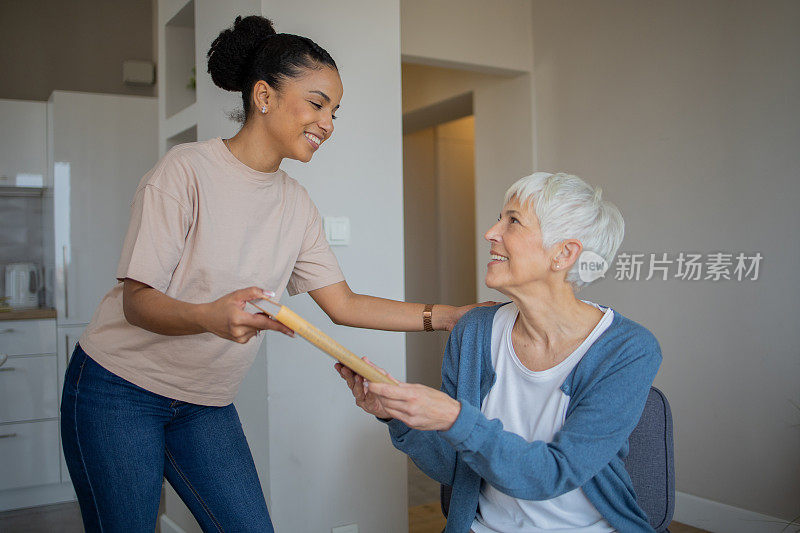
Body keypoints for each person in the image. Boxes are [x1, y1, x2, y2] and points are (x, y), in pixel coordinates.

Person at [60, 15, 483, 532]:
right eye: (317, 102)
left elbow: (344, 304)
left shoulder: (296, 205)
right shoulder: (185, 171)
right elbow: (136, 301)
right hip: (117, 390)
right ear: (264, 95)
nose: (328, 123)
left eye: (335, 111)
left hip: (204, 404)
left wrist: (451, 316)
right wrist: (210, 316)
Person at [337, 172, 663, 532]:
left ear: (564, 253)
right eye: (499, 217)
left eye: (513, 221)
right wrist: (397, 417)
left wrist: (453, 417)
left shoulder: (628, 349)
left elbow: (553, 474)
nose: (491, 233)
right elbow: (456, 467)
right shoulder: (474, 331)